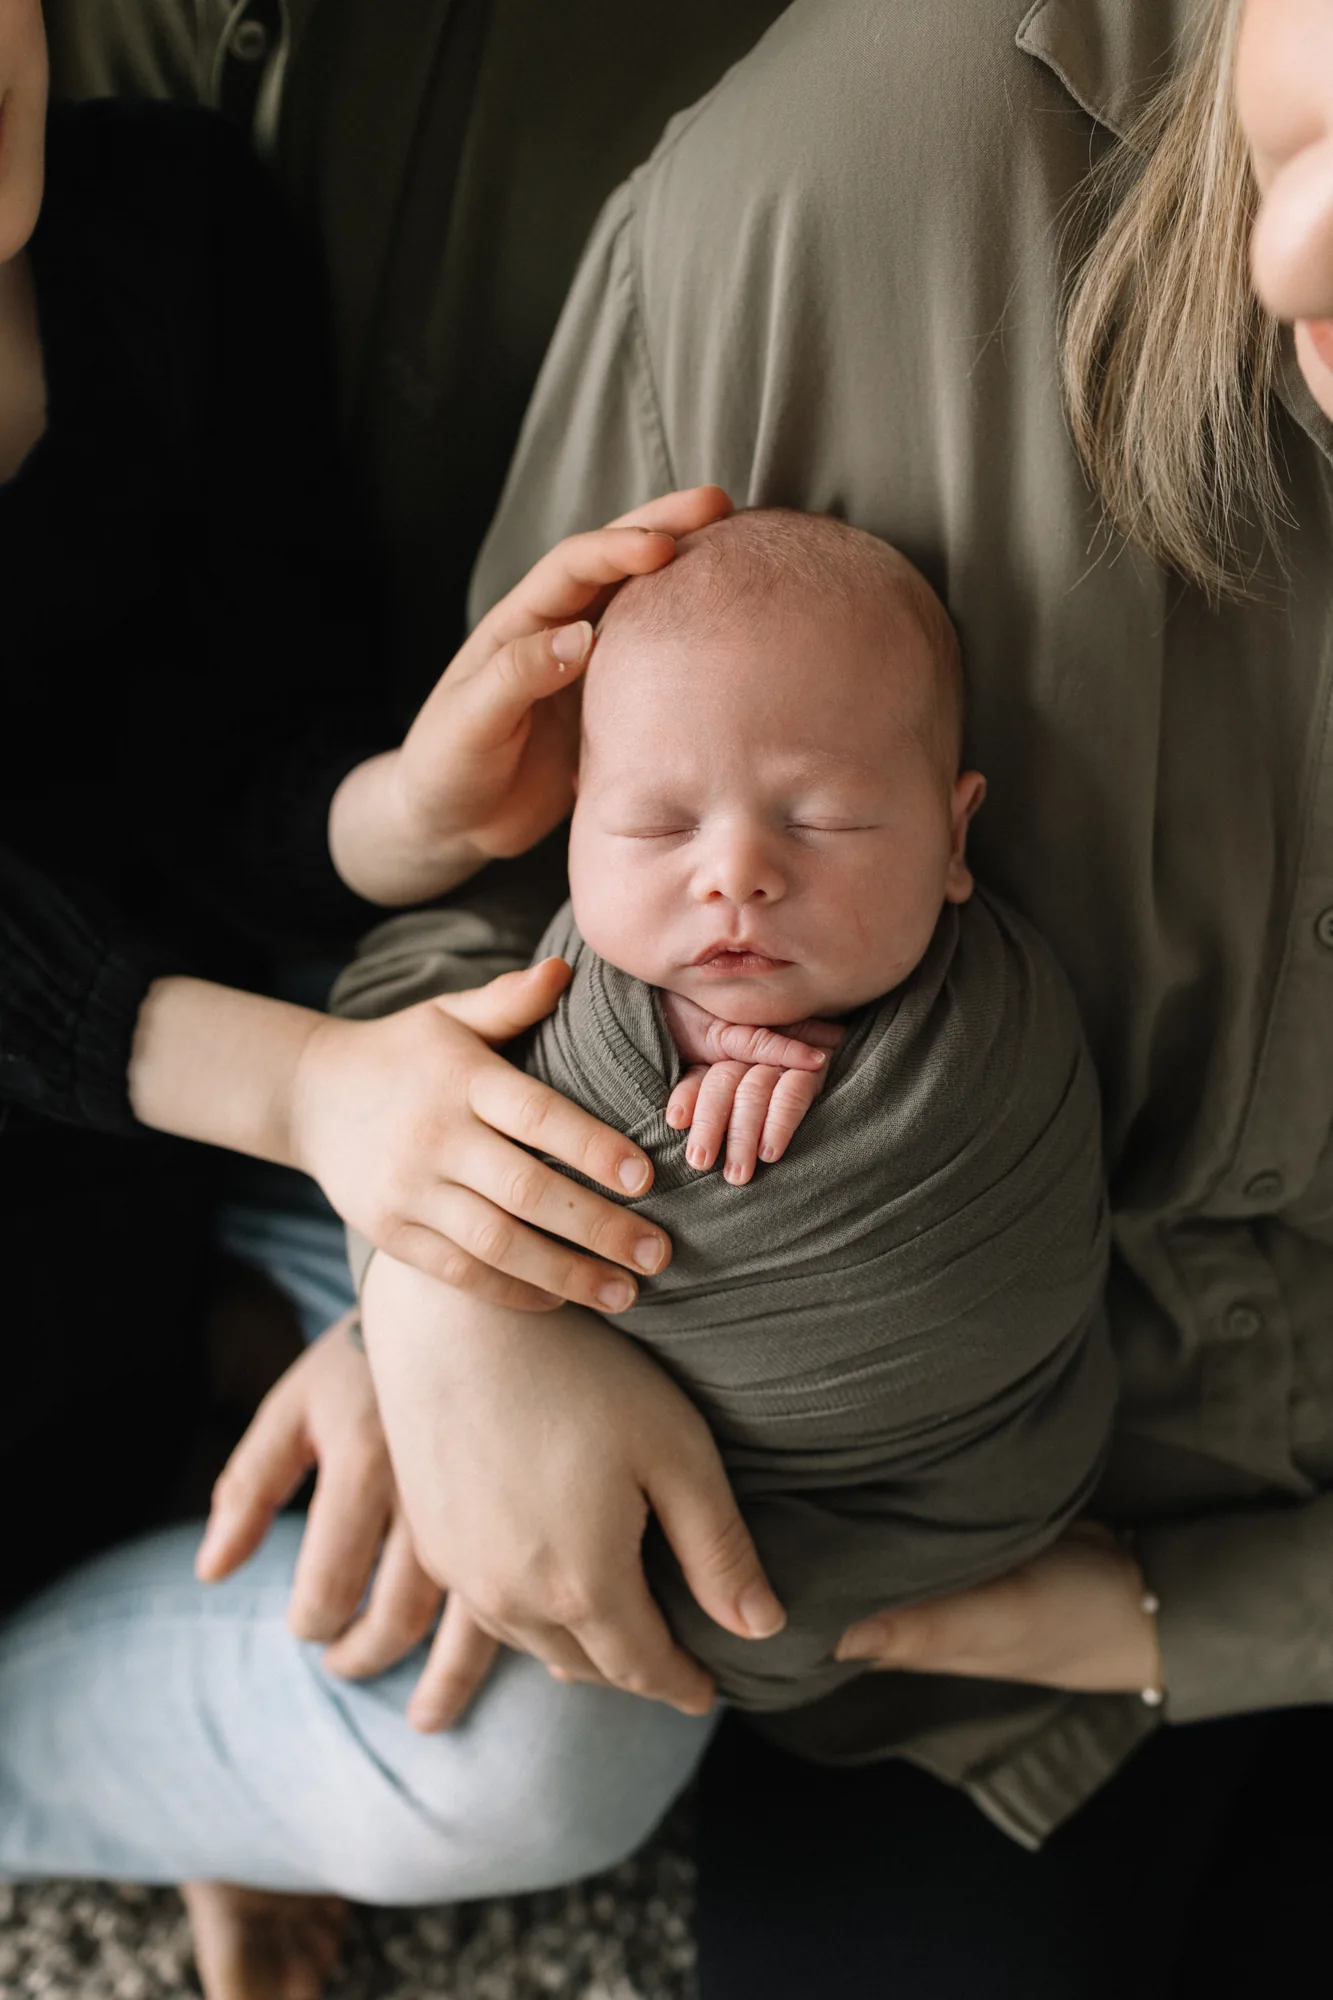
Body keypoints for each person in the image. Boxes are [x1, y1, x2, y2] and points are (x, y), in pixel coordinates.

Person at [3, 0, 1333, 1995]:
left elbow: (255, 763)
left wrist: (386, 825)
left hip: (1059, 1498)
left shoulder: (164, 244)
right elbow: (524, 910)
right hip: (224, 1125)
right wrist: (417, 1235)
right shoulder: (875, 186)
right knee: (512, 1715)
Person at [336, 505, 1119, 1724]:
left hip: (919, 1500)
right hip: (526, 1444)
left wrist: (854, 1078)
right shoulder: (555, 989)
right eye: (655, 823)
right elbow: (390, 1062)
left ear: (956, 837)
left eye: (822, 819)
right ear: (576, 828)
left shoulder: (1000, 1026)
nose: (735, 873)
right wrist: (644, 1052)